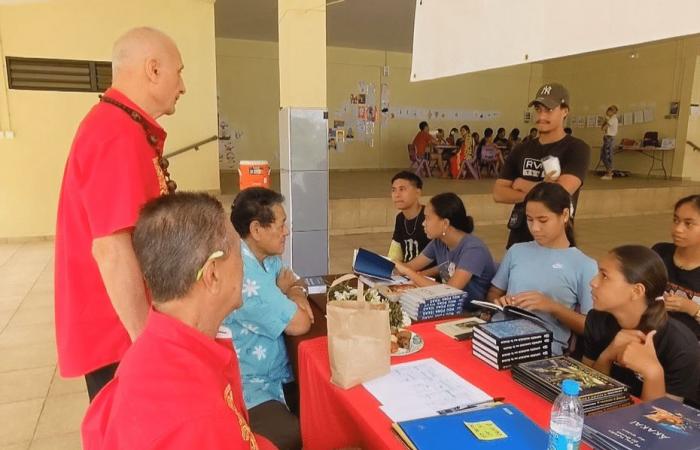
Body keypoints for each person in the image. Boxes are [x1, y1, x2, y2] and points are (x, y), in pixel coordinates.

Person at [81, 192, 275, 450]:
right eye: (240, 253)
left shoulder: (156, 350)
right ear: (212, 274)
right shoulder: (198, 419)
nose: (244, 265)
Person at [54, 27, 186, 401]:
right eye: (179, 71)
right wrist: (147, 345)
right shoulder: (116, 133)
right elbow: (111, 250)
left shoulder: (122, 126)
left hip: (121, 331)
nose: (183, 86)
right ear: (154, 69)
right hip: (118, 337)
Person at [224, 187, 313, 450]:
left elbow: (294, 280)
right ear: (256, 230)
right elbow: (300, 324)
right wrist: (290, 295)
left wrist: (291, 291)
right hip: (251, 385)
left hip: (277, 373)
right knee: (296, 434)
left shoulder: (266, 257)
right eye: (281, 224)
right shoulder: (244, 274)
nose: (286, 231)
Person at [487, 183, 597, 355]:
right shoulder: (517, 251)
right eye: (530, 220)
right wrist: (500, 302)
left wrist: (552, 307)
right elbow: (494, 292)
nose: (535, 228)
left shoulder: (584, 265)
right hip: (496, 334)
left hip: (541, 348)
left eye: (543, 220)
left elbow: (589, 327)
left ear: (565, 215)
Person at [584, 245, 700, 402]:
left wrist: (652, 372)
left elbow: (659, 419)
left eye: (604, 276)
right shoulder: (596, 319)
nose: (593, 282)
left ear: (637, 291)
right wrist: (607, 356)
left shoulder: (680, 345)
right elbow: (588, 393)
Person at [493, 83, 590, 248]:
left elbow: (559, 193)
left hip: (555, 239)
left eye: (549, 110)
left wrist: (522, 185)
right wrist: (540, 189)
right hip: (520, 236)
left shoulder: (576, 148)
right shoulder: (521, 149)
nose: (542, 116)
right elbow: (498, 193)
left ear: (565, 111)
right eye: (538, 109)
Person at [395, 193, 496, 305]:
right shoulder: (439, 242)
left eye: (427, 218)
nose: (423, 224)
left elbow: (450, 291)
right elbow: (411, 266)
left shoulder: (474, 250)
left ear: (445, 223)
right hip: (448, 306)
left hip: (470, 312)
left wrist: (410, 273)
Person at [652, 195, 700, 340]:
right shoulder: (660, 252)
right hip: (653, 334)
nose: (678, 229)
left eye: (688, 224)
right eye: (676, 220)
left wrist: (692, 308)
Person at [388, 171, 431, 263]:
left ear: (417, 193)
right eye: (393, 190)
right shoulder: (400, 218)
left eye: (402, 189)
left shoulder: (430, 216)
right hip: (406, 274)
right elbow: (394, 254)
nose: (397, 195)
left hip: (427, 275)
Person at [599, 105, 619, 180]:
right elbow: (602, 128)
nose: (606, 112)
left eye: (608, 111)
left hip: (609, 138)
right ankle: (609, 171)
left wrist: (605, 120)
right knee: (603, 155)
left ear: (611, 111)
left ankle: (609, 173)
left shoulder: (613, 119)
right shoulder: (611, 119)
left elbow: (604, 128)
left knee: (607, 155)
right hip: (607, 138)